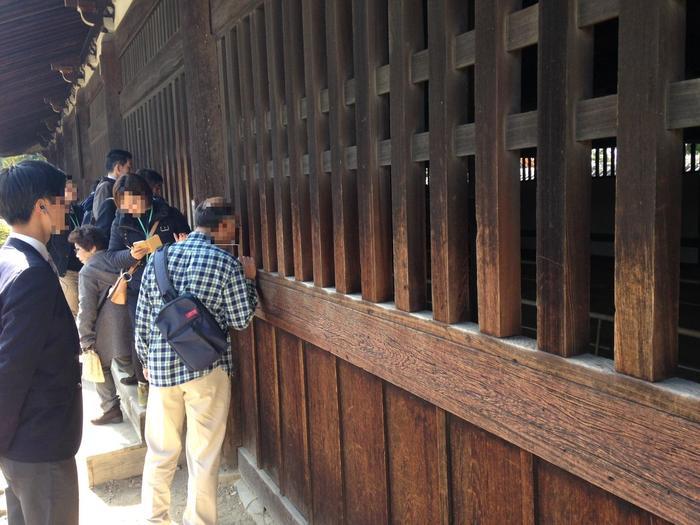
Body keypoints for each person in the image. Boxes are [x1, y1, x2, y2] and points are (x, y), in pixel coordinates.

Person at [135, 198, 257, 525]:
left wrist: (146, 359)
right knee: (202, 456)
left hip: (161, 371)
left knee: (160, 453)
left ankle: (154, 519)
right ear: (224, 225)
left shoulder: (158, 259)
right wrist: (249, 279)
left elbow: (144, 316)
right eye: (234, 226)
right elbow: (242, 318)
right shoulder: (226, 263)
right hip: (206, 370)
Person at [0, 161, 82, 525]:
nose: (67, 207)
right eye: (60, 199)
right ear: (41, 207)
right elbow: (12, 368)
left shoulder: (9, 258)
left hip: (23, 443)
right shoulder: (31, 272)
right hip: (39, 442)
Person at [106, 173, 190, 401]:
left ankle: (179, 379)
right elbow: (112, 257)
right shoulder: (120, 222)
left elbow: (190, 240)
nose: (131, 209)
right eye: (125, 205)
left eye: (135, 202)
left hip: (170, 285)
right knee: (141, 334)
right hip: (138, 289)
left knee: (176, 328)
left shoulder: (169, 215)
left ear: (147, 195)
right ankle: (145, 386)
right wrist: (130, 255)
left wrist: (183, 244)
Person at [70, 225, 134, 425]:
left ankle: (110, 408)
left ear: (91, 247)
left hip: (109, 329)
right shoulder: (119, 258)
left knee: (98, 364)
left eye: (78, 248)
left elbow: (86, 308)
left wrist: (85, 338)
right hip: (131, 322)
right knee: (129, 361)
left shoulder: (88, 271)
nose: (76, 253)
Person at [48, 177, 84, 317]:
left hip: (84, 266)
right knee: (74, 309)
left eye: (74, 188)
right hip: (66, 268)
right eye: (69, 189)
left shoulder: (79, 210)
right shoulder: (56, 213)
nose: (73, 191)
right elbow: (50, 242)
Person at [92, 149, 133, 239]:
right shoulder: (105, 187)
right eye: (128, 168)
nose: (130, 172)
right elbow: (101, 217)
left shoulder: (119, 186)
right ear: (118, 168)